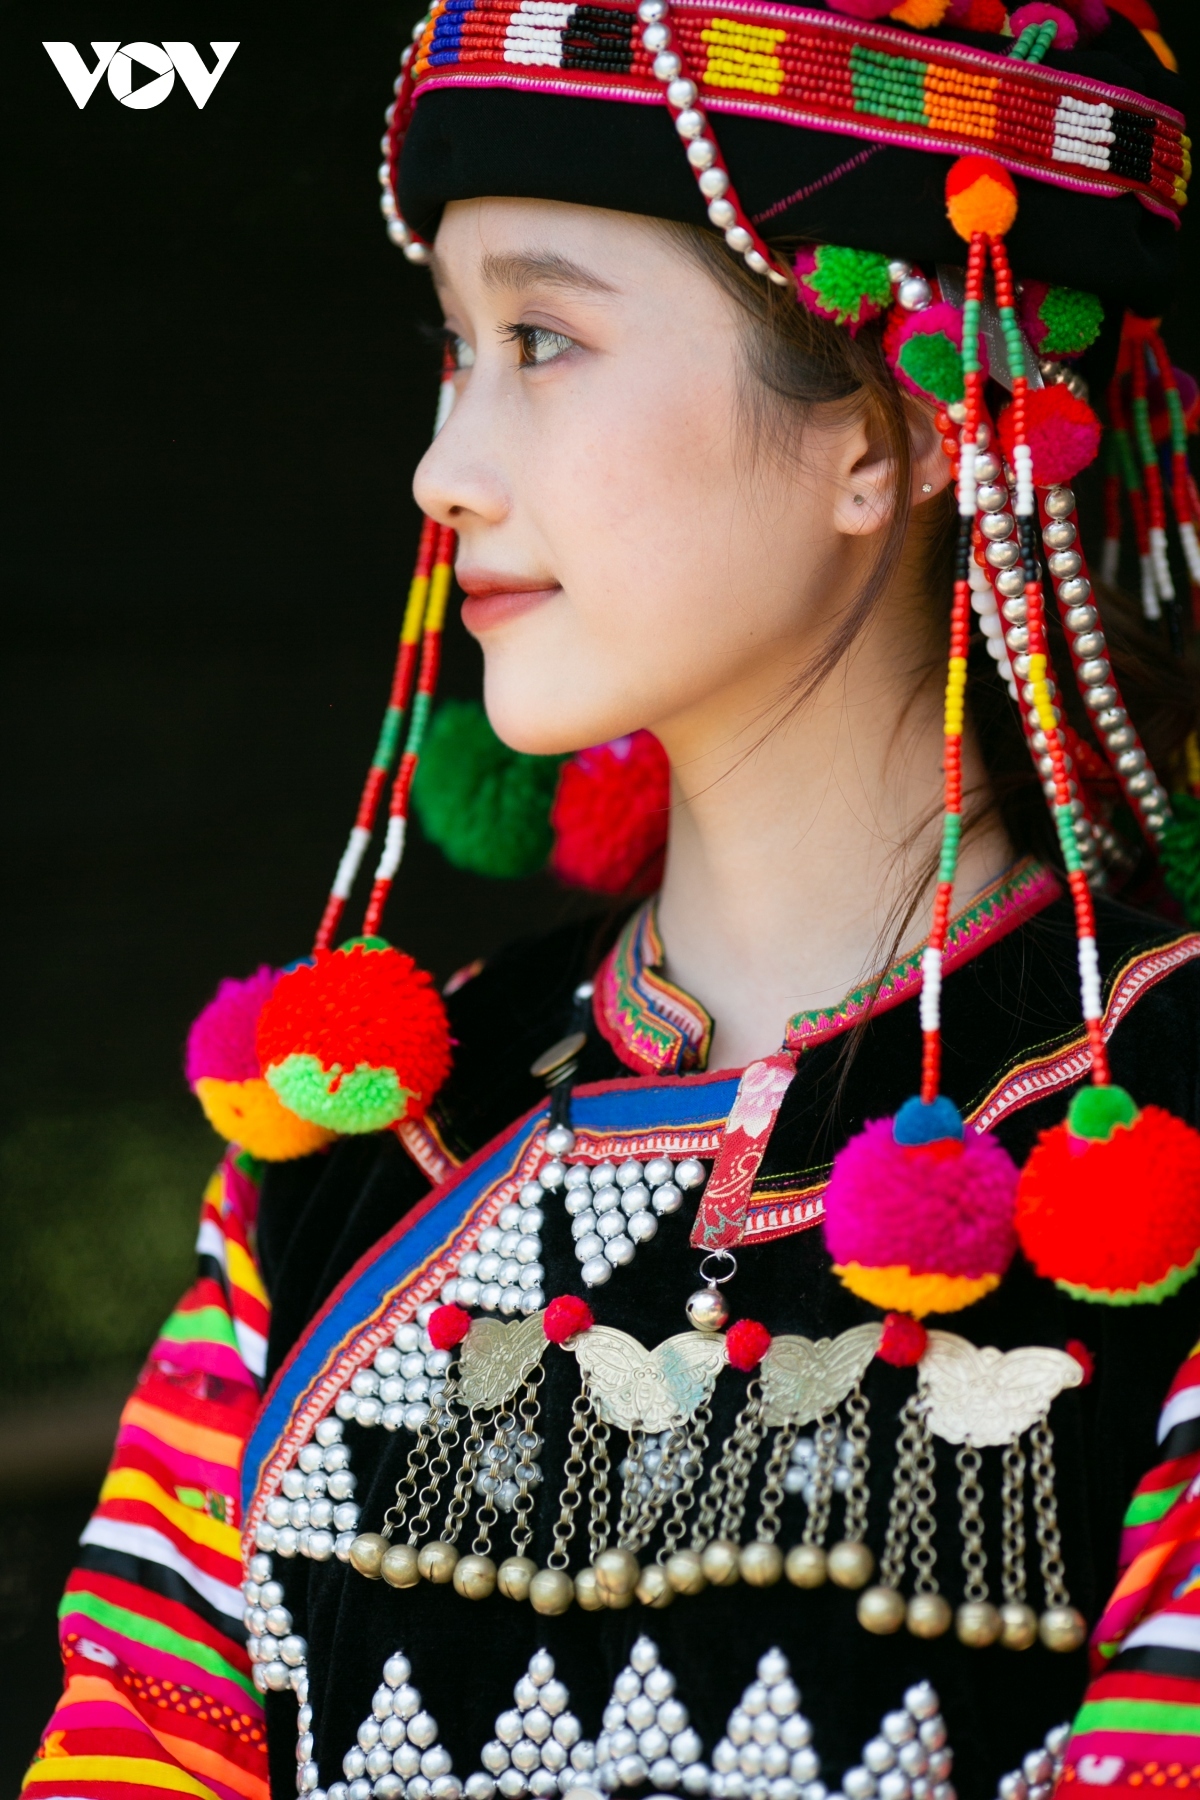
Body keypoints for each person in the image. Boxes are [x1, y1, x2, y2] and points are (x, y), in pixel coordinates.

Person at [23, 4, 1200, 1800]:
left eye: (543, 340)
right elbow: (135, 1741)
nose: (445, 469)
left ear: (889, 428)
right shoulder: (352, 1150)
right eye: (456, 348)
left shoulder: (1162, 1126)